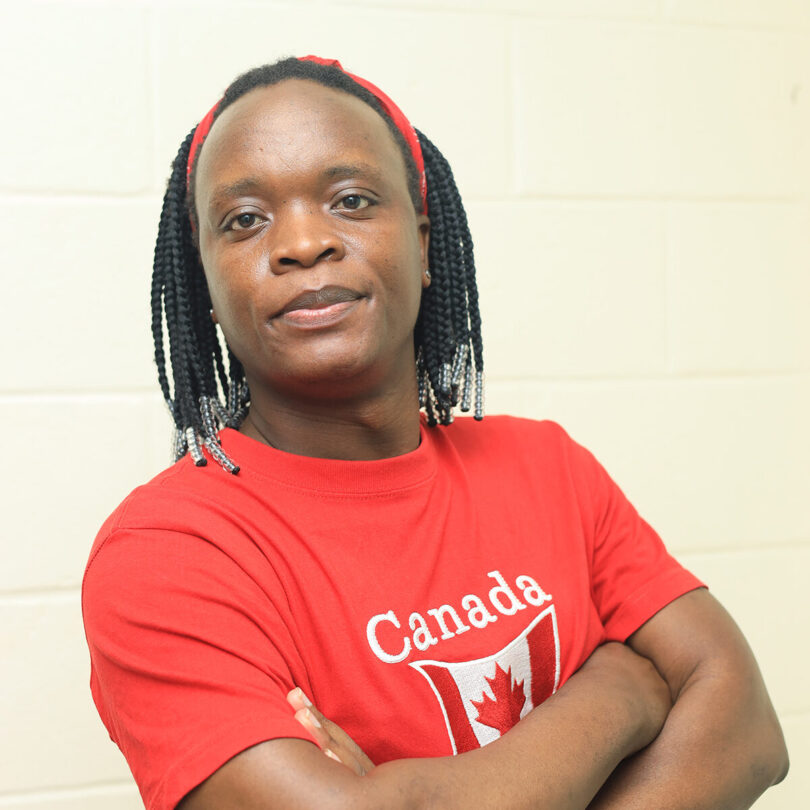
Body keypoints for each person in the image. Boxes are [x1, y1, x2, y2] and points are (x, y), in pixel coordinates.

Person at [82, 56, 788, 810]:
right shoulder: (168, 554)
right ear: (208, 288)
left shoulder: (548, 467)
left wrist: (406, 791)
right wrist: (620, 693)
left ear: (423, 244)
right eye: (245, 220)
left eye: (351, 200)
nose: (302, 243)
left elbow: (748, 734)